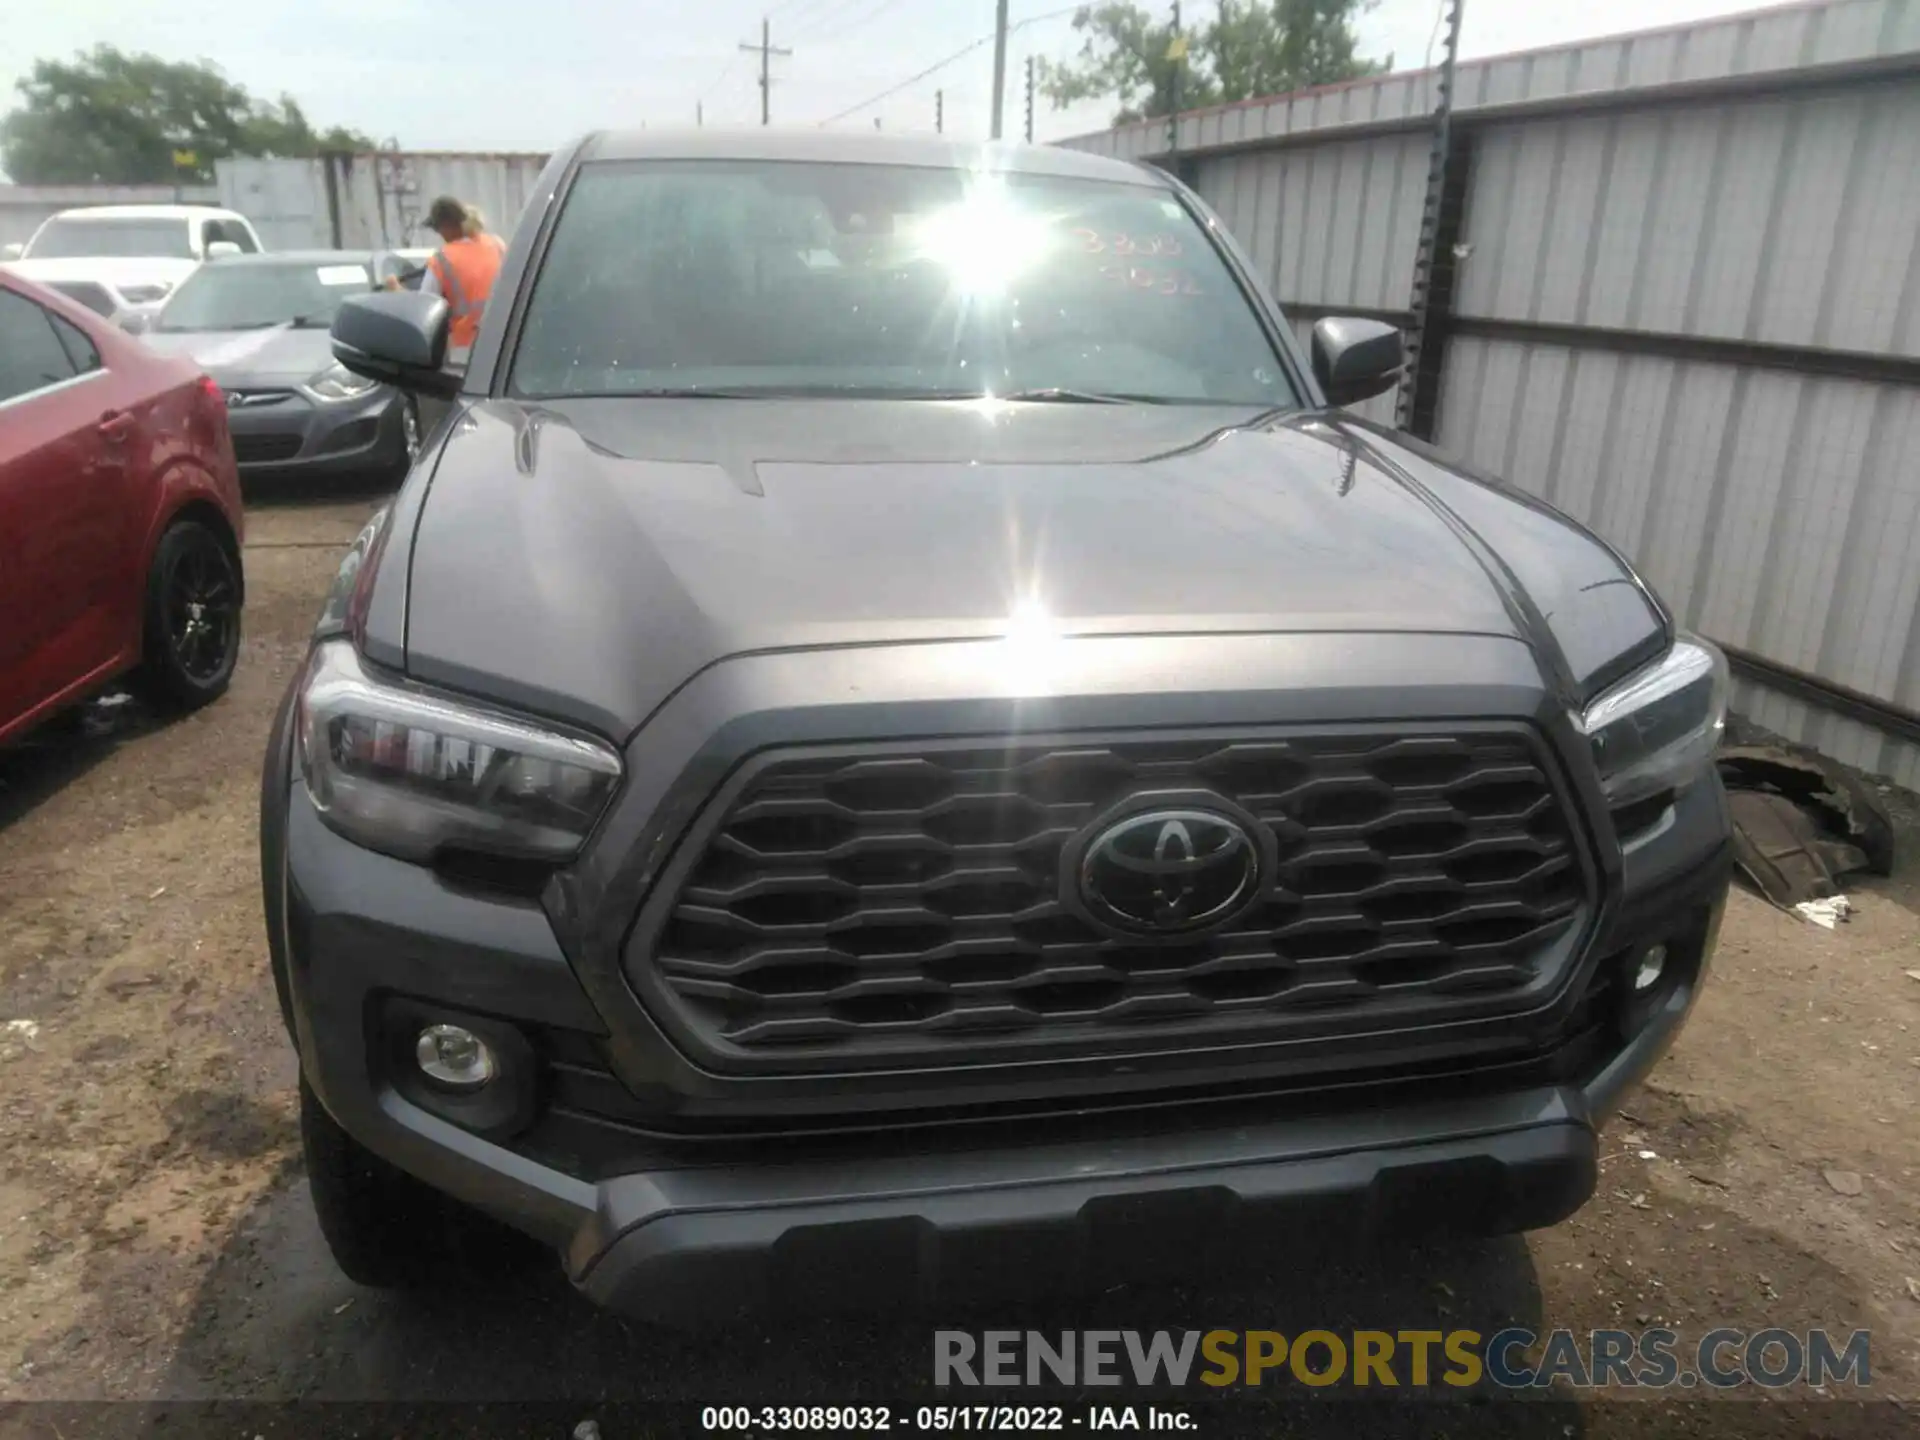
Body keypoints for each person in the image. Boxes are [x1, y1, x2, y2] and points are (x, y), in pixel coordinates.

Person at [417, 196, 506, 346]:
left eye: (437, 229)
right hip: (505, 342)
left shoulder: (441, 259)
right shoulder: (497, 245)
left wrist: (396, 290)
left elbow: (423, 311)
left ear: (445, 226)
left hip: (466, 349)